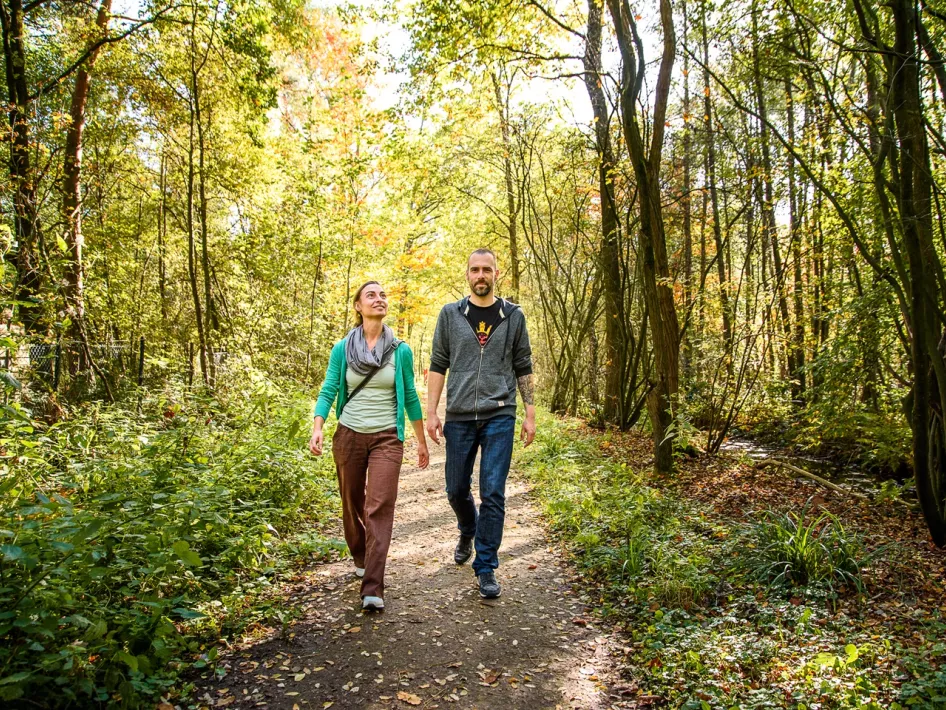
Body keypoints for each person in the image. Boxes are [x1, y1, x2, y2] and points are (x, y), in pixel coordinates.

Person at [309, 281, 429, 611]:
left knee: (379, 505)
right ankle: (360, 554)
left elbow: (410, 397)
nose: (379, 299)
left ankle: (373, 585)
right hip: (348, 435)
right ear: (358, 307)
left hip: (387, 438)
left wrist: (420, 441)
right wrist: (318, 426)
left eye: (382, 295)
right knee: (351, 503)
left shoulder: (401, 350)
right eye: (371, 295)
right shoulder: (342, 349)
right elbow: (329, 388)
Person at [426, 248, 536, 599]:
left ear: (496, 274)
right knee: (456, 489)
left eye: (486, 269)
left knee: (493, 491)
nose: (480, 275)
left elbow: (524, 364)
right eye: (475, 269)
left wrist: (529, 413)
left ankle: (486, 566)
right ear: (467, 274)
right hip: (459, 414)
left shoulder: (513, 315)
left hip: (500, 413)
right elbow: (438, 364)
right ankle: (467, 528)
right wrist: (432, 412)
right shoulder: (450, 314)